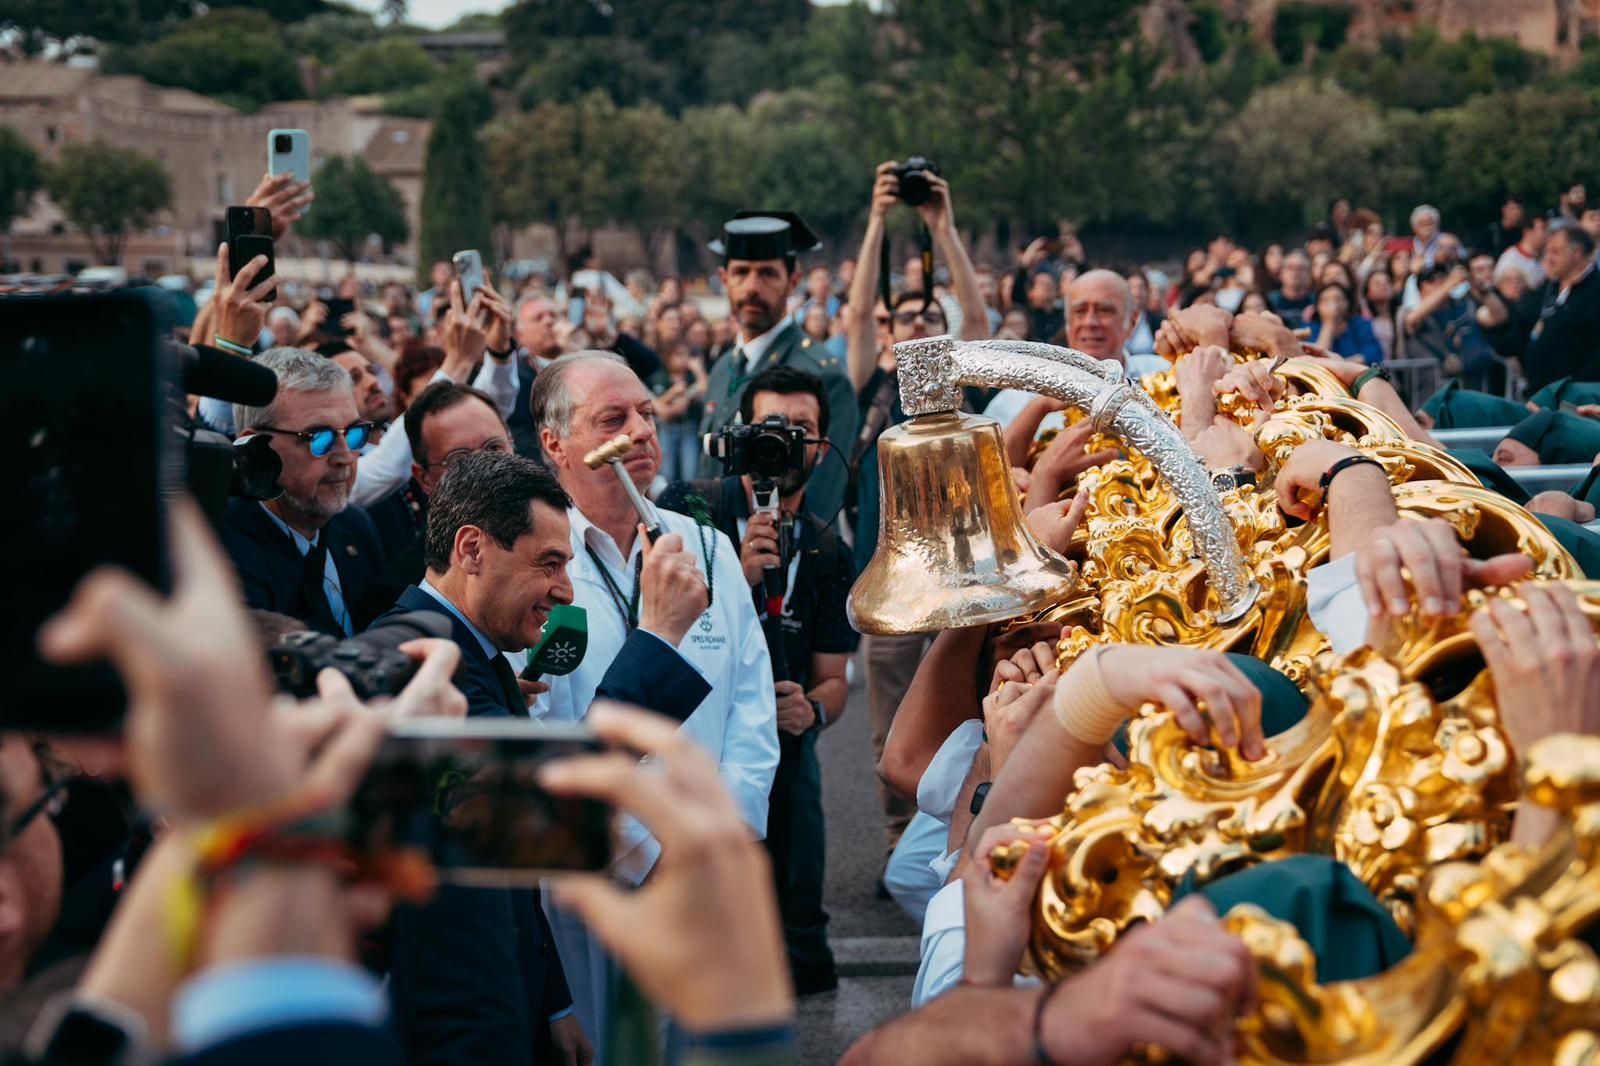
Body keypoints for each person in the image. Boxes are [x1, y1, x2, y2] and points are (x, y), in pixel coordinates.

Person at [530, 350, 778, 1057]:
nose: (642, 430)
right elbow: (548, 735)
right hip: (604, 885)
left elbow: (752, 706)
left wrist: (721, 836)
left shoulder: (704, 545)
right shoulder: (543, 568)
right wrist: (649, 853)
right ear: (557, 444)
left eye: (646, 411)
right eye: (615, 419)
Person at [657, 367, 858, 997]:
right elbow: (648, 635)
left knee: (800, 938)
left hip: (786, 753)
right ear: (738, 434)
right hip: (696, 749)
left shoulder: (828, 549)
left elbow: (834, 681)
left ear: (823, 447)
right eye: (769, 427)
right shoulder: (690, 510)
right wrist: (734, 579)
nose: (784, 443)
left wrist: (813, 711)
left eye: (801, 430)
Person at [845, 161, 992, 877]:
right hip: (895, 584)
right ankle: (902, 840)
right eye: (907, 320)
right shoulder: (876, 384)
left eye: (932, 319)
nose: (920, 328)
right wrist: (876, 221)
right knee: (889, 727)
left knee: (967, 713)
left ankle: (965, 827)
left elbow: (981, 322)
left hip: (962, 587)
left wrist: (943, 229)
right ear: (890, 333)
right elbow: (853, 319)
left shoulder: (965, 384)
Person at [696, 210, 857, 528]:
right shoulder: (723, 367)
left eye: (768, 273)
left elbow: (818, 508)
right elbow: (709, 474)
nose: (752, 287)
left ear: (793, 281)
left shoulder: (822, 374)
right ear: (725, 279)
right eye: (741, 272)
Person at [222, 348, 384, 637]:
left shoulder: (356, 524)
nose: (345, 456)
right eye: (319, 438)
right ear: (255, 449)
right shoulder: (222, 555)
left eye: (355, 433)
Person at [356, 380, 513, 627]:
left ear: (511, 445)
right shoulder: (399, 595)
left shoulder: (566, 535)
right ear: (424, 479)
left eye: (494, 448)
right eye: (459, 460)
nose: (487, 468)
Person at [1523, 220, 1600, 392]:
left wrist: (1574, 390)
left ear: (1577, 253)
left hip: (1575, 398)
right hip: (1539, 393)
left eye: (1555, 252)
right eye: (1547, 252)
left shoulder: (1596, 291)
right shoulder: (1550, 287)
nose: (1548, 258)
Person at [1305, 281, 1381, 362]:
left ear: (1347, 303)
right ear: (1318, 306)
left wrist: (1341, 365)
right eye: (1325, 300)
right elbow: (1316, 359)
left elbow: (1372, 354)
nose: (1332, 304)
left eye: (1337, 299)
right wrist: (1329, 324)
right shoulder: (1310, 327)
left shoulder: (1360, 324)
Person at [1496, 215, 1548, 289]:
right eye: (1543, 228)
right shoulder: (1509, 259)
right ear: (1527, 231)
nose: (1548, 233)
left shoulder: (1548, 256)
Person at [1266, 249, 1314, 329]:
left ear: (1309, 274)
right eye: (1290, 268)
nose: (1295, 272)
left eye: (1301, 268)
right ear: (1280, 274)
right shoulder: (1269, 301)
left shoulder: (1318, 301)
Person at [1361, 269, 1402, 361]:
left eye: (1387, 281)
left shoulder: (1401, 314)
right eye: (1377, 283)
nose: (1384, 285)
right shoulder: (1363, 320)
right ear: (1368, 292)